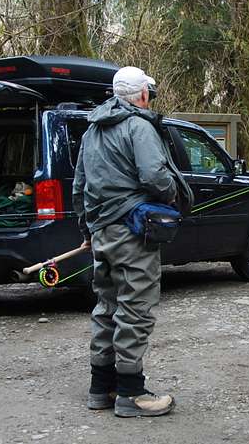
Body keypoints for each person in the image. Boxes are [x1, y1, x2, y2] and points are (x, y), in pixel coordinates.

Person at [72, 66, 192, 418]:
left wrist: (87, 230)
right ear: (141, 95)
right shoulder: (139, 126)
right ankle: (131, 393)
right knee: (135, 309)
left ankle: (101, 388)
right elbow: (155, 176)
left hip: (101, 232)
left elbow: (79, 187)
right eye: (149, 94)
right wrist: (170, 199)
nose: (149, 100)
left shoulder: (91, 132)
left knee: (106, 308)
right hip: (132, 233)